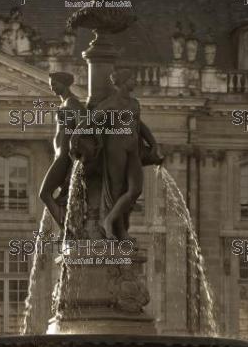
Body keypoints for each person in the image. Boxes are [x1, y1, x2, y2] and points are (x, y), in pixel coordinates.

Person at [95, 68, 162, 240]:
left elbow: (139, 125)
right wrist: (75, 137)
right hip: (116, 147)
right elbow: (90, 120)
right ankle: (118, 228)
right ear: (124, 82)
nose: (135, 82)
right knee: (117, 189)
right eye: (132, 78)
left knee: (135, 189)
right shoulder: (110, 103)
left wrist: (153, 143)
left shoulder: (134, 103)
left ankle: (109, 219)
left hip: (133, 149)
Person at [39, 72, 85, 228]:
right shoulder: (64, 103)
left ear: (65, 83)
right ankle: (68, 227)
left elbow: (84, 122)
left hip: (64, 157)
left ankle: (66, 228)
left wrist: (74, 140)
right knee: (60, 199)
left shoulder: (71, 102)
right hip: (60, 156)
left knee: (44, 193)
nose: (52, 86)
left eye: (55, 83)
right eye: (51, 83)